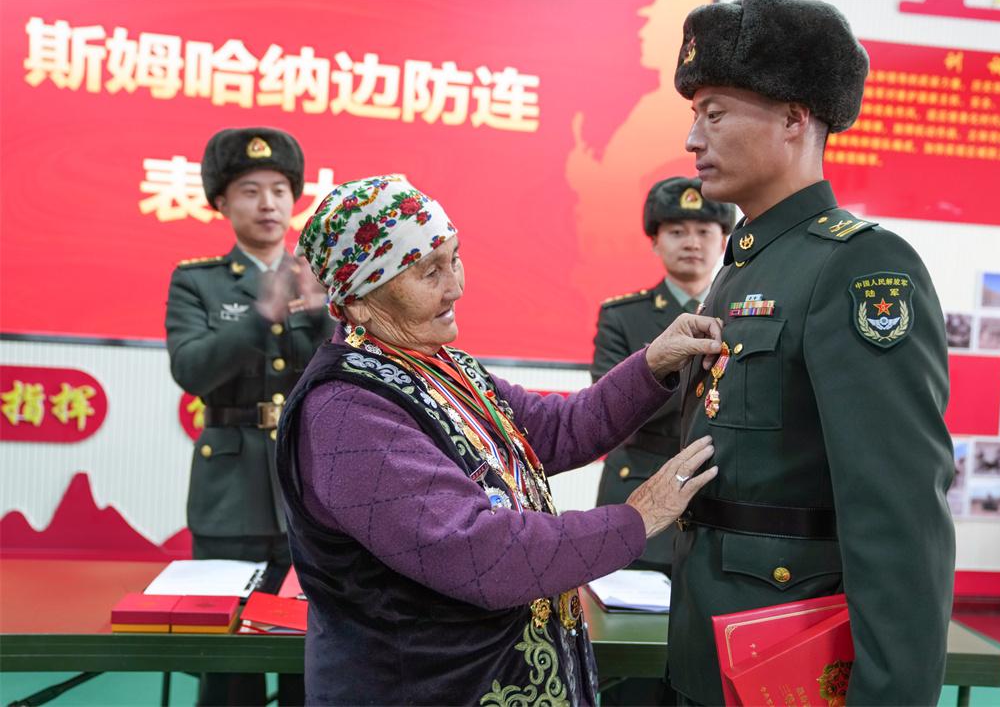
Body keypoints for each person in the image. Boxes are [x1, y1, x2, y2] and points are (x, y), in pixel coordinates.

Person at [277, 174, 722, 705]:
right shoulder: (347, 410)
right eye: (429, 272)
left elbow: (559, 428)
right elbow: (479, 553)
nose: (455, 287)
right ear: (361, 299)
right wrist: (638, 517)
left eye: (455, 259)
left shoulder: (442, 367)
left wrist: (653, 364)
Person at [668, 0, 955, 704]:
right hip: (713, 647)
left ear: (795, 118)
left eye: (715, 113)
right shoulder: (744, 266)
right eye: (696, 114)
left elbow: (898, 517)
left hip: (791, 661)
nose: (693, 138)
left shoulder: (857, 266)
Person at [165, 126, 334, 706]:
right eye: (250, 190)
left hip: (310, 486)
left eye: (280, 190)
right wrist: (263, 316)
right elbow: (192, 369)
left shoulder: (321, 281)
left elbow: (349, 371)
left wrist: (323, 312)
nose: (268, 204)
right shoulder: (197, 281)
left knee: (307, 654)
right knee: (227, 658)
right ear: (221, 201)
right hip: (229, 491)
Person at [593, 175, 733, 577]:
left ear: (723, 241)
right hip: (639, 494)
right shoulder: (622, 316)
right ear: (655, 241)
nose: (692, 243)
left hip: (720, 498)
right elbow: (613, 405)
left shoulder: (742, 315)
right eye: (677, 232)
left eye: (704, 232)